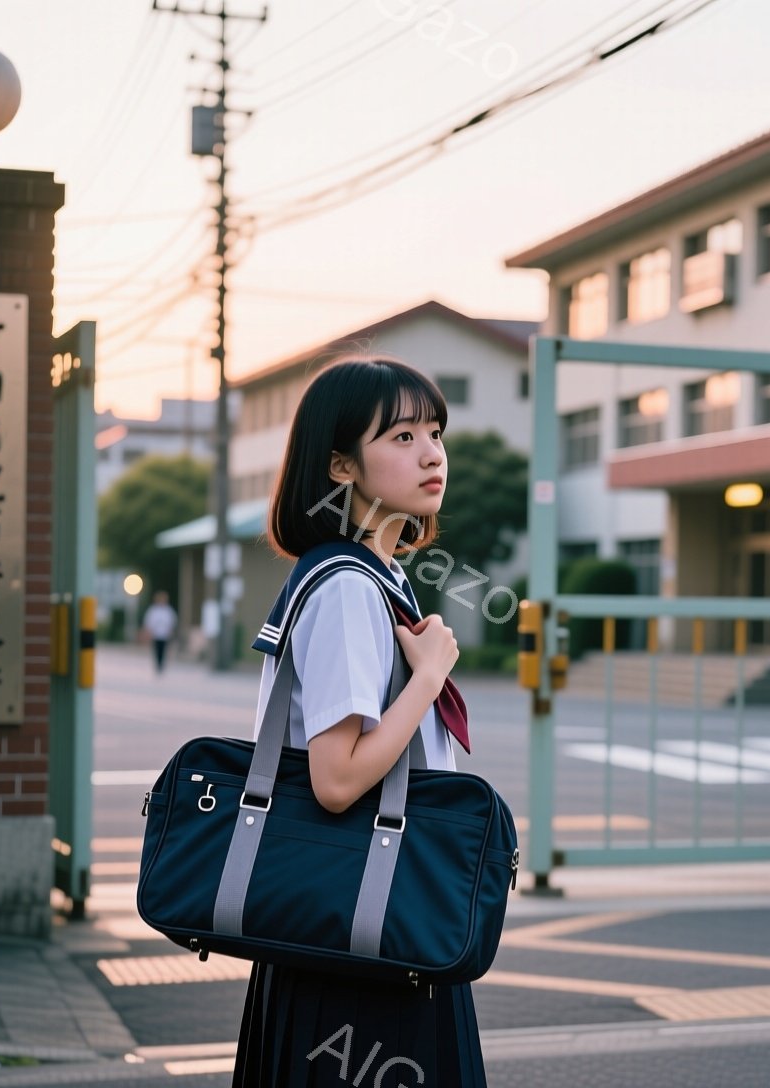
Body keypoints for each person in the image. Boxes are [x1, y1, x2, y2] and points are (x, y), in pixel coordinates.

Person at [233, 356, 485, 1087]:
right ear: (341, 466)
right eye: (402, 437)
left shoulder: (379, 576)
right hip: (364, 930)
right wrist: (428, 677)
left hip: (361, 916)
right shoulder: (347, 586)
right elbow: (337, 779)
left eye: (435, 433)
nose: (432, 454)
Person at [141, 591, 177, 675]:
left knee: (163, 650)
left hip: (164, 634)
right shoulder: (153, 610)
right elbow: (149, 621)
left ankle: (162, 665)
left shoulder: (168, 610)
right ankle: (157, 664)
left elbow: (172, 621)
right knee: (157, 650)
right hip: (156, 634)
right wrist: (148, 631)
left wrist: (171, 630)